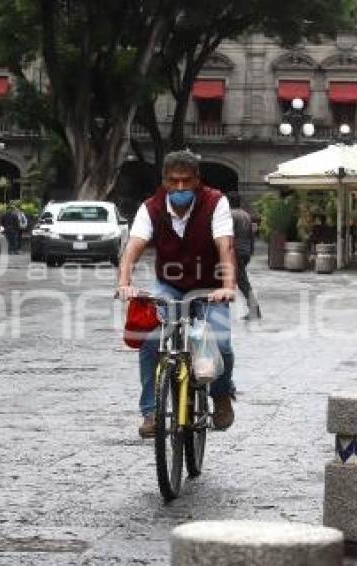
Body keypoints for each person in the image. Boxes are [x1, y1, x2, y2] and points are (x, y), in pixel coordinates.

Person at [116, 150, 236, 438]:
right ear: (164, 182)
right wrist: (124, 282)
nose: (180, 188)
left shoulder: (215, 202)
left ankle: (220, 395)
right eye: (173, 181)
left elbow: (225, 246)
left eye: (186, 181)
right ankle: (150, 412)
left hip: (210, 286)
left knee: (221, 341)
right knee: (149, 341)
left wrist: (228, 286)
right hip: (169, 285)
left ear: (197, 180)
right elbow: (133, 246)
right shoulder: (151, 207)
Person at [228, 193, 261, 320]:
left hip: (235, 252)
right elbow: (251, 235)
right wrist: (251, 250)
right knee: (239, 280)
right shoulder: (246, 215)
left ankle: (255, 310)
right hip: (245, 252)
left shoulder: (230, 215)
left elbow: (228, 235)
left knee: (242, 282)